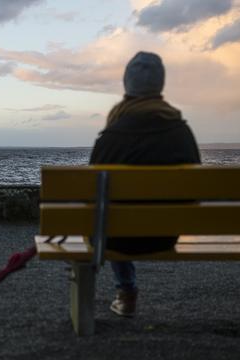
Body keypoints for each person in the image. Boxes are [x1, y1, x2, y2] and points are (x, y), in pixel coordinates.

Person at [89, 51, 201, 317]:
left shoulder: (111, 135)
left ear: (127, 84)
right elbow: (194, 193)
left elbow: (94, 199)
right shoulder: (181, 131)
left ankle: (126, 293)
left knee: (110, 217)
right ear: (160, 86)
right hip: (166, 234)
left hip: (118, 238)